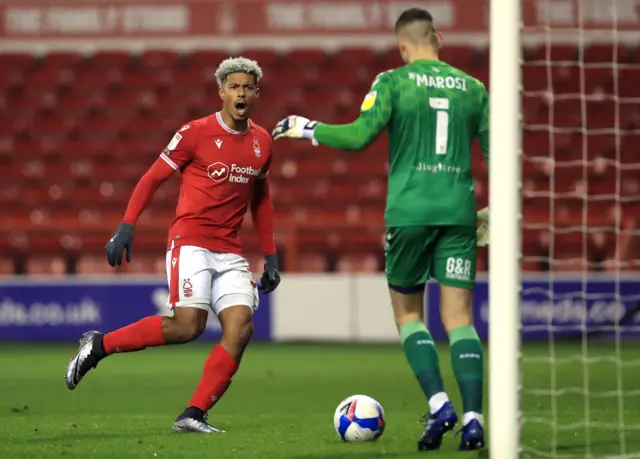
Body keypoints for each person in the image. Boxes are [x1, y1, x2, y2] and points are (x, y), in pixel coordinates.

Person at [272, 8, 489, 452]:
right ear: (439, 38)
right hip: (460, 213)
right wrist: (495, 209)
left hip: (409, 212)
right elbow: (499, 152)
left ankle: (440, 404)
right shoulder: (474, 88)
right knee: (460, 319)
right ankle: (473, 419)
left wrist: (306, 128)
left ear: (402, 45)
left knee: (410, 315)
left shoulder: (393, 81)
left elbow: (358, 137)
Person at [66, 57, 281, 434]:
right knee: (188, 326)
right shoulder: (194, 133)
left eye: (248, 86)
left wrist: (271, 254)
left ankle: (193, 413)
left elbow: (260, 200)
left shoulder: (262, 142)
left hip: (231, 251)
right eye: (234, 87)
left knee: (241, 328)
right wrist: (127, 225)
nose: (241, 92)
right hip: (192, 241)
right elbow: (152, 178)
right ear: (222, 92)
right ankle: (100, 345)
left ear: (256, 93)